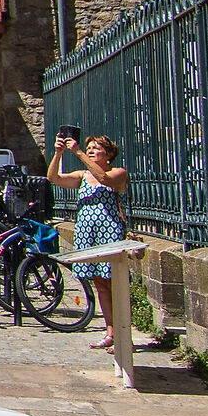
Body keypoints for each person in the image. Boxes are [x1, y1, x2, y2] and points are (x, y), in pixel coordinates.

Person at [50, 132, 134, 350]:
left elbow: (105, 179)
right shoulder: (83, 175)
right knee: (100, 284)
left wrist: (77, 152)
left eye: (96, 148)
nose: (91, 151)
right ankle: (111, 333)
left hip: (110, 232)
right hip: (88, 233)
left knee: (114, 283)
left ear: (109, 153)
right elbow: (54, 178)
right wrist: (58, 154)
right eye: (89, 148)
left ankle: (125, 335)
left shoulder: (118, 173)